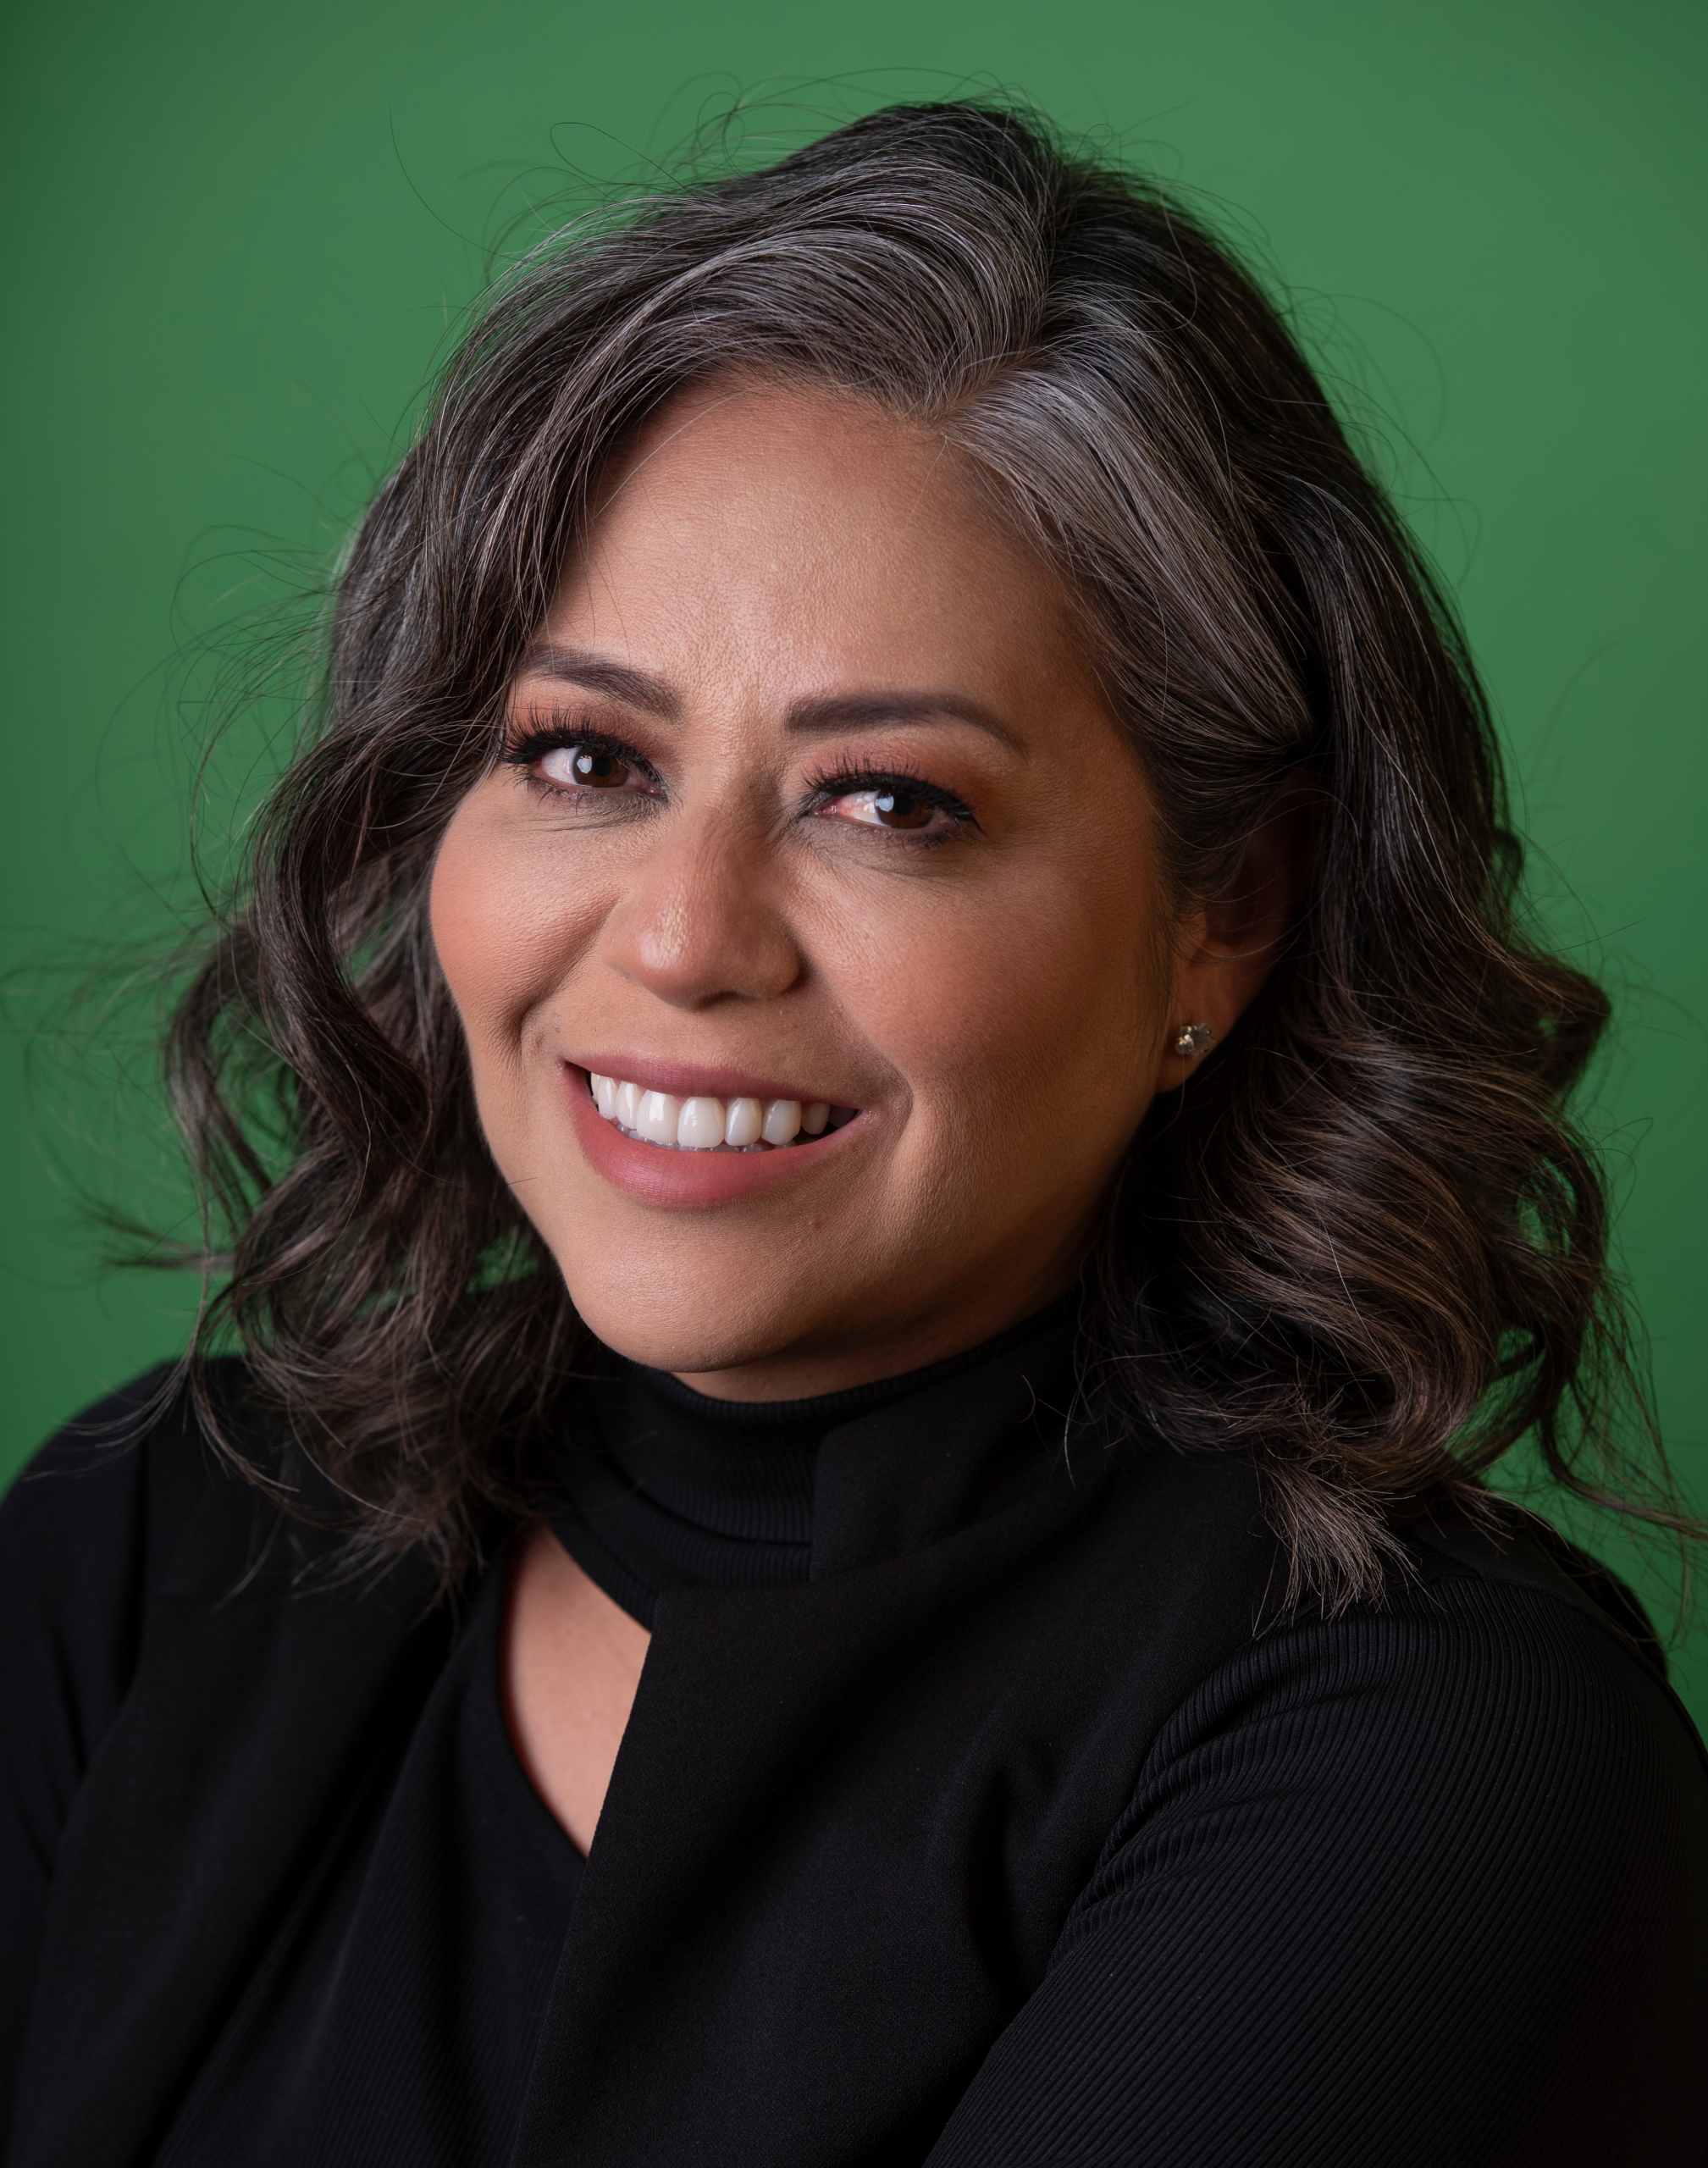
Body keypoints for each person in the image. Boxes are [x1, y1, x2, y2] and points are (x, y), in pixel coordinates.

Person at [2, 98, 1704, 2168]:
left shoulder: (1444, 1757)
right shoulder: (155, 1532)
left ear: (1228, 905)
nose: (688, 936)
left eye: (889, 798)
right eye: (582, 753)